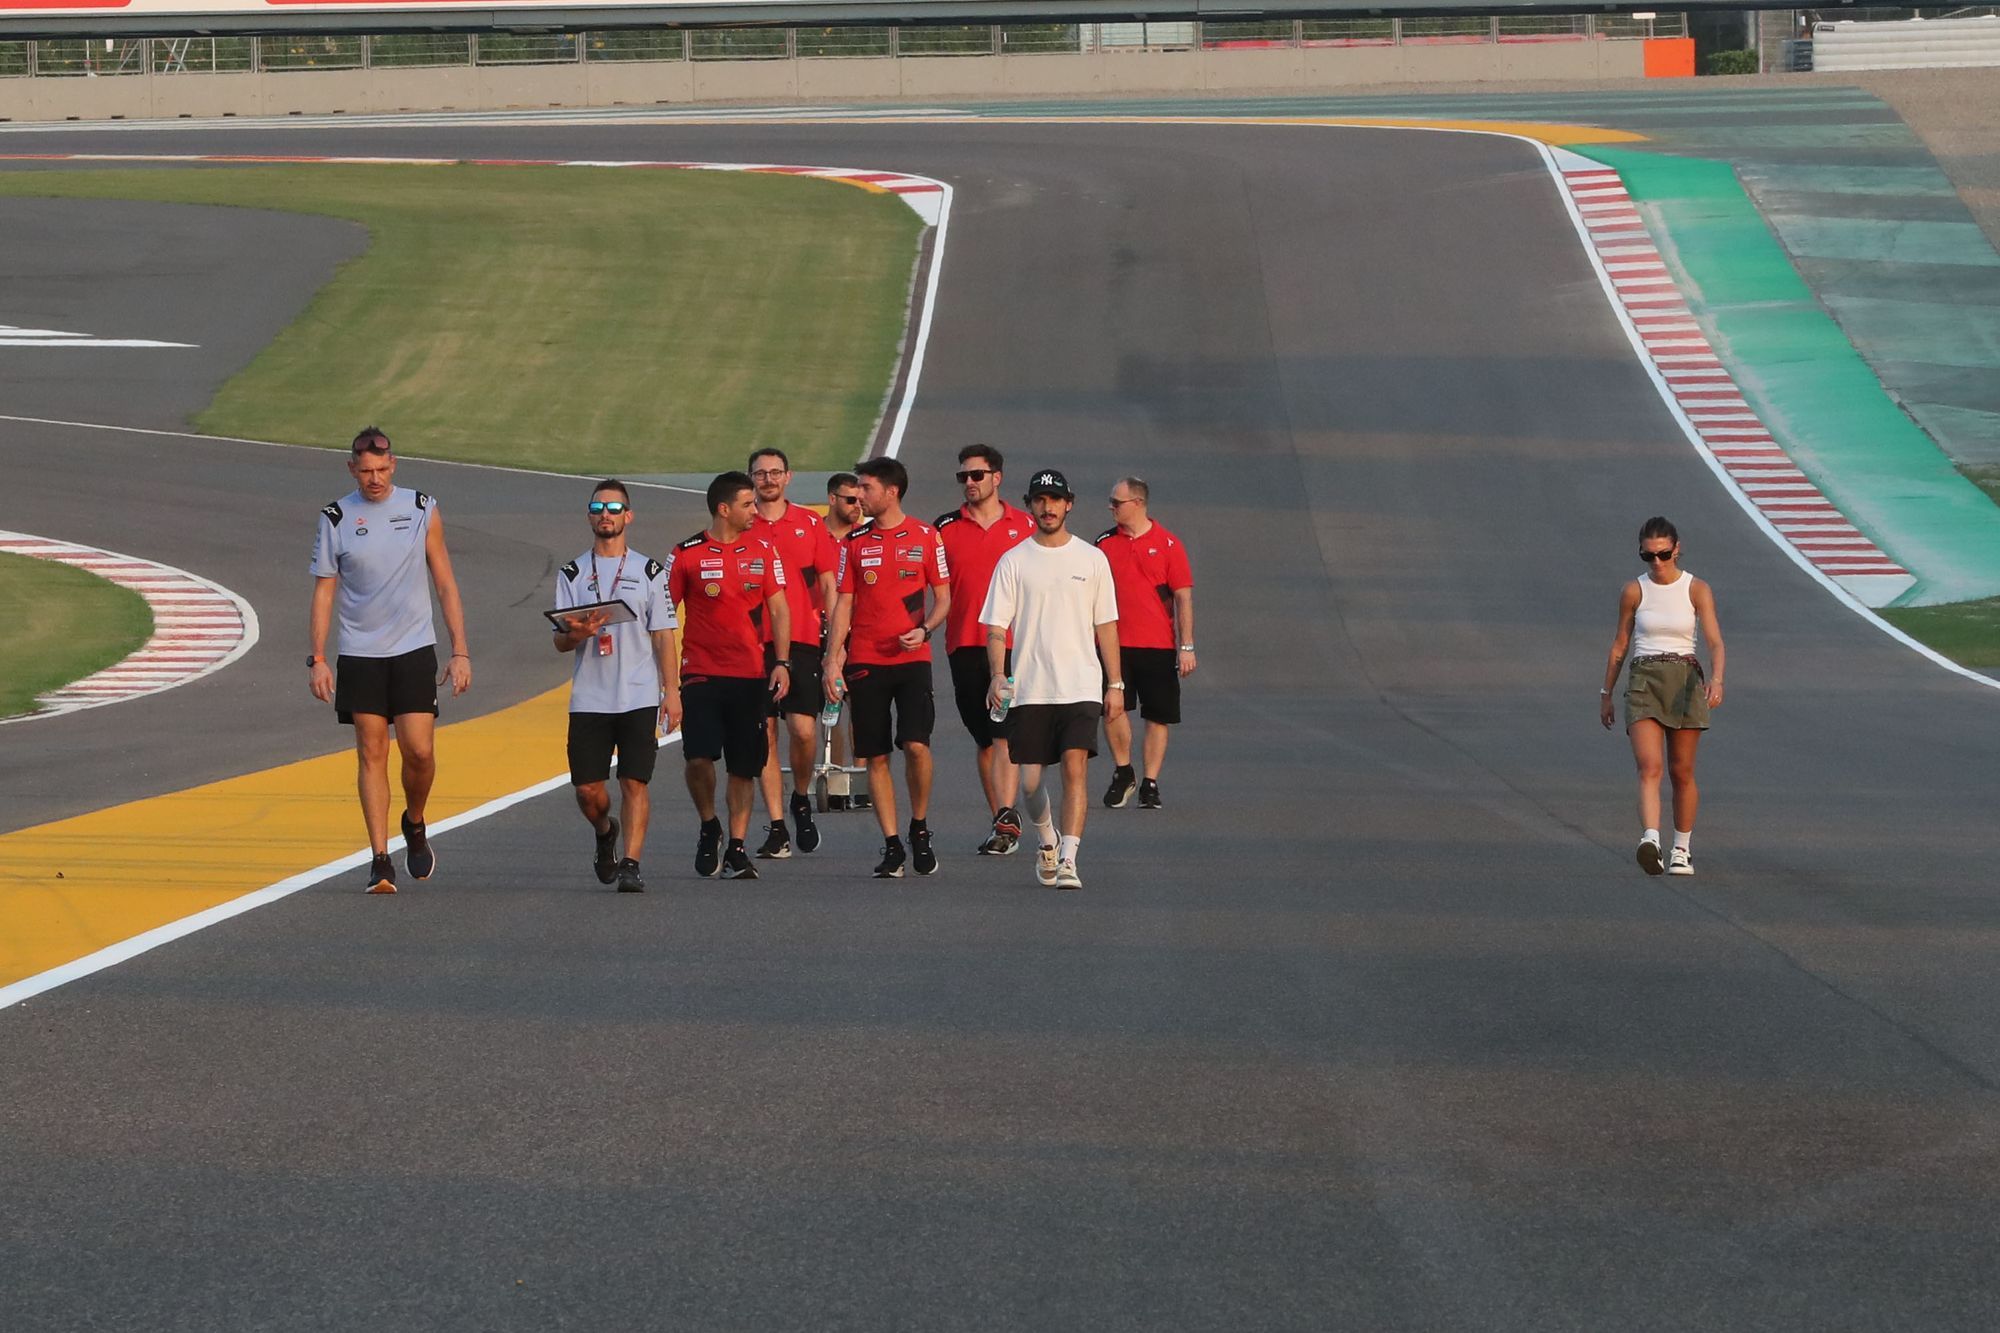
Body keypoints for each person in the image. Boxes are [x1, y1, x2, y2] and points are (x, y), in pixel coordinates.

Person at [308, 426, 471, 895]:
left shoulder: (421, 509)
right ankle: (380, 859)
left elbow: (445, 583)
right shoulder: (336, 517)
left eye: (381, 470)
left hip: (414, 647)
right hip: (360, 652)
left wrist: (459, 650)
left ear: (393, 465)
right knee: (371, 751)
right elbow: (323, 591)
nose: (374, 479)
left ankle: (414, 821)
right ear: (352, 470)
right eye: (365, 472)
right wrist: (317, 658)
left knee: (419, 751)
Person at [979, 469, 1124, 890]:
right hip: (1030, 689)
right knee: (1029, 783)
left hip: (1080, 685)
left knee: (1075, 769)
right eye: (1040, 500)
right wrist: (996, 676)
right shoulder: (1014, 560)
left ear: (1069, 504)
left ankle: (1069, 859)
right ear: (1030, 505)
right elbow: (995, 628)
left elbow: (1107, 625)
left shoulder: (1092, 559)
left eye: (1055, 500)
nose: (1048, 507)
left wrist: (1115, 684)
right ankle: (1046, 840)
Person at [551, 480, 682, 894]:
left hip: (638, 693)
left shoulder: (649, 571)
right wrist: (578, 633)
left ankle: (631, 862)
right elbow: (559, 640)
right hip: (590, 695)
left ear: (628, 515)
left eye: (614, 507)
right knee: (588, 790)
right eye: (597, 507)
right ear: (589, 515)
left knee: (634, 781)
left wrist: (672, 691)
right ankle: (606, 830)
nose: (605, 514)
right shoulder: (572, 573)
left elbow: (663, 634)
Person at [823, 456, 951, 878]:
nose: (859, 495)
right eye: (857, 488)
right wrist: (832, 658)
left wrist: (927, 629)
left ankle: (919, 826)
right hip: (865, 660)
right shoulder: (855, 542)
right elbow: (843, 602)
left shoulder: (926, 536)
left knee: (915, 745)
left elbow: (944, 597)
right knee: (874, 755)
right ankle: (893, 844)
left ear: (891, 491)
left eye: (866, 487)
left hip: (912, 659)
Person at [668, 471, 793, 881]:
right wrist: (665, 678)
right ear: (724, 509)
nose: (755, 511)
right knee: (698, 757)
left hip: (749, 674)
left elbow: (778, 608)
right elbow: (662, 616)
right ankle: (709, 826)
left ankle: (737, 847)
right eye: (747, 504)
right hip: (701, 672)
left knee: (744, 766)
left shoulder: (764, 549)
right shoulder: (685, 553)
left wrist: (783, 661)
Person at [1600, 516, 1725, 877]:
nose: (1656, 562)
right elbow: (1620, 646)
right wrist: (1606, 692)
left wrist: (1717, 679)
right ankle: (1650, 839)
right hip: (1644, 679)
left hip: (1685, 678)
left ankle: (1681, 849)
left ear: (1677, 549)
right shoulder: (1634, 591)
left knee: (1681, 771)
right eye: (1648, 556)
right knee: (1649, 766)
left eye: (1663, 554)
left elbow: (1715, 641)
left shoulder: (1696, 589)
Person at [936, 444, 1034, 855]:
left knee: (1003, 735)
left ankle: (1007, 818)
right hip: (963, 645)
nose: (969, 483)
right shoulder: (943, 528)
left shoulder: (1026, 525)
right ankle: (1000, 818)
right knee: (984, 738)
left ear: (997, 477)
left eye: (977, 475)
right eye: (963, 477)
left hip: (1013, 646)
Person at [746, 447, 840, 860]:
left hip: (802, 638)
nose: (767, 479)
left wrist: (835, 646)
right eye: (760, 473)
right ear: (751, 479)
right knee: (762, 733)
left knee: (802, 730)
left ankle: (799, 796)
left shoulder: (809, 523)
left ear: (788, 477)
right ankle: (777, 825)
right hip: (753, 644)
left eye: (775, 472)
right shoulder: (741, 523)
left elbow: (830, 584)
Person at [1094, 476, 1196, 810]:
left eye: (1116, 502)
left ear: (1137, 504)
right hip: (1114, 643)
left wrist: (1187, 646)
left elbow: (1183, 598)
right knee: (1113, 707)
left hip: (1157, 644)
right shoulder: (1104, 544)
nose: (1111, 508)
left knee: (1158, 715)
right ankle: (1124, 771)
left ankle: (1150, 782)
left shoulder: (1169, 544)